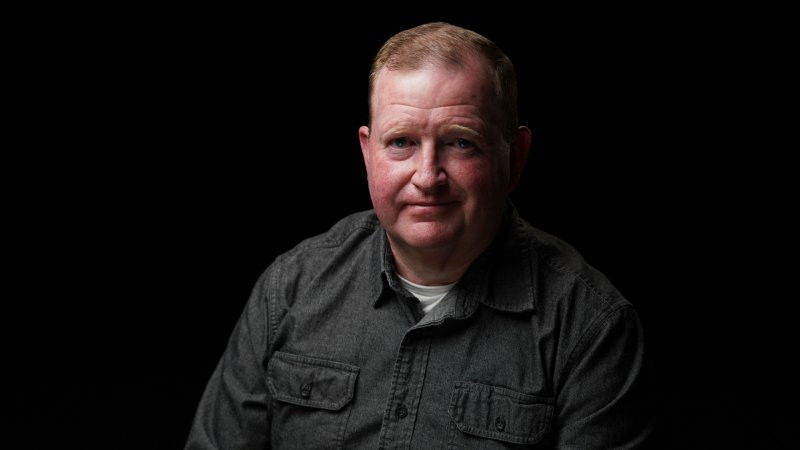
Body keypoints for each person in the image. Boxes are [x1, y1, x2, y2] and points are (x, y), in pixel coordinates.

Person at [186, 22, 658, 449]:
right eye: (402, 143)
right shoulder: (290, 288)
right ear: (368, 153)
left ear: (515, 158)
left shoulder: (591, 327)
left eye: (460, 143)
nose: (428, 176)